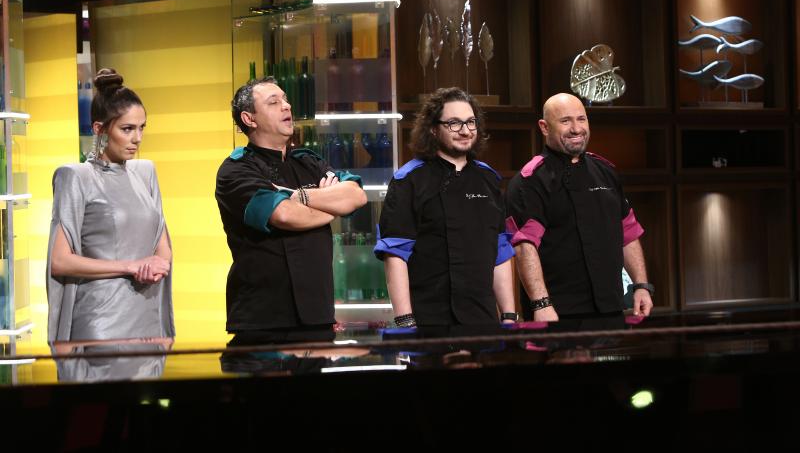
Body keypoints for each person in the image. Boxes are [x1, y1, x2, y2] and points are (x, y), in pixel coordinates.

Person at [215, 76, 367, 343]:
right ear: (249, 118)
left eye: (285, 100)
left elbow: (356, 196)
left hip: (318, 313)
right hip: (263, 318)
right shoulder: (236, 169)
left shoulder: (308, 161)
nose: (286, 106)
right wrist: (331, 205)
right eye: (274, 102)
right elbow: (285, 215)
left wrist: (299, 196)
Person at [505, 93, 653, 327]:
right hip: (557, 311)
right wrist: (541, 304)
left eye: (581, 119)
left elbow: (628, 232)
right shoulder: (530, 181)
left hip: (611, 306)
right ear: (544, 127)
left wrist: (641, 286)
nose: (576, 129)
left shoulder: (605, 171)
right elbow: (525, 247)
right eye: (565, 121)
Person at [47, 68, 174, 342]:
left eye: (141, 128)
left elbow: (163, 247)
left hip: (148, 316)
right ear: (100, 129)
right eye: (127, 129)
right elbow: (59, 261)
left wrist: (158, 266)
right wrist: (131, 266)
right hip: (102, 322)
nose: (137, 138)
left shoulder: (145, 173)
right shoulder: (76, 177)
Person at [374, 87, 516, 328]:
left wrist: (509, 316)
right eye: (454, 123)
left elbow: (500, 250)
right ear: (433, 129)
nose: (465, 131)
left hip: (482, 319)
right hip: (428, 319)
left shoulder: (488, 178)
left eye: (470, 122)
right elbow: (395, 254)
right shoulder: (408, 179)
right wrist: (406, 322)